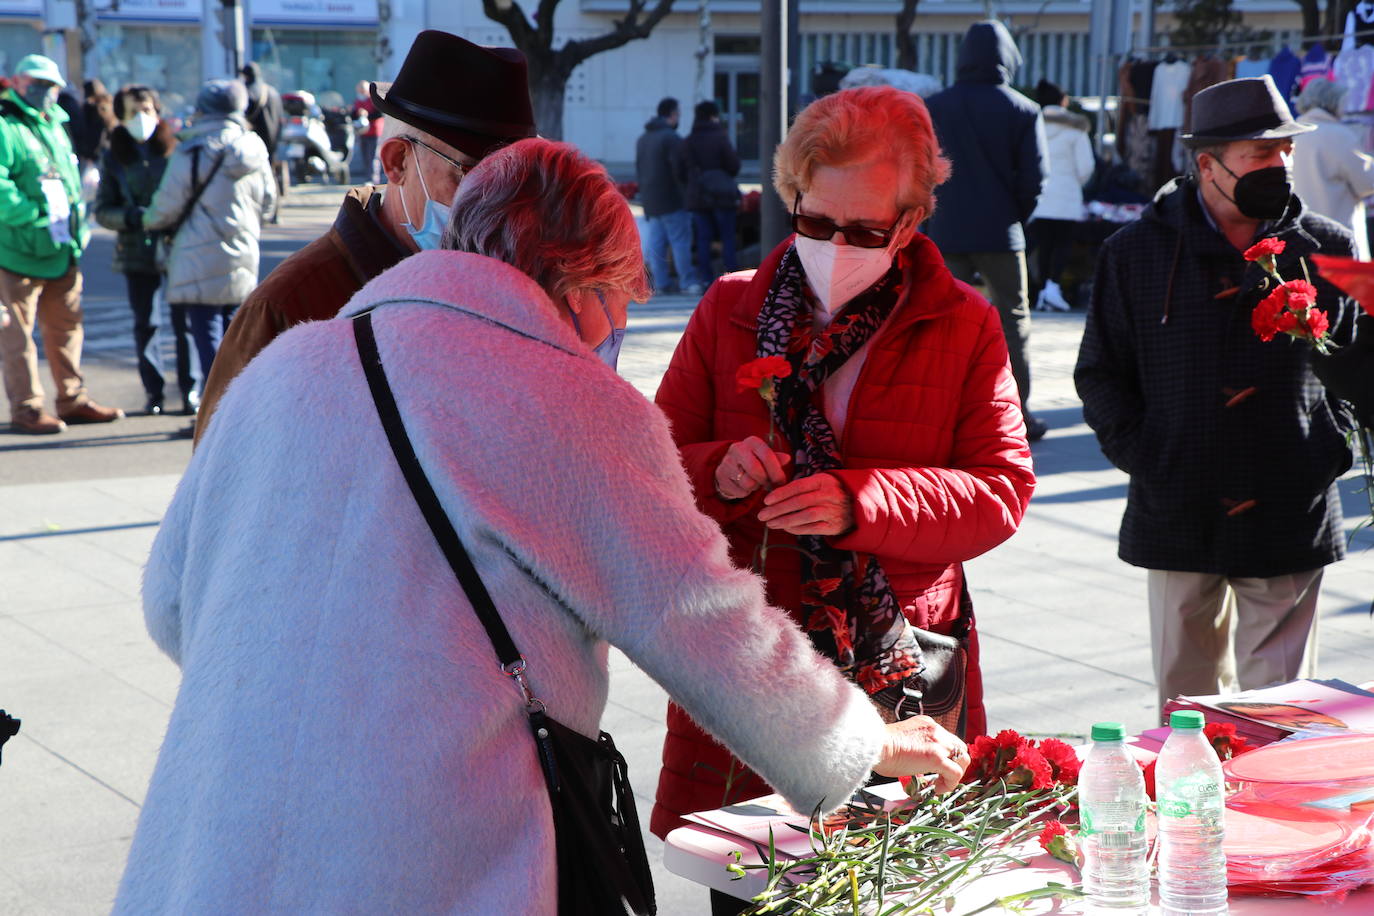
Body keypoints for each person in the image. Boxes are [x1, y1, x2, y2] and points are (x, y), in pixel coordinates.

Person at [113, 136, 970, 914]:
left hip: (208, 843)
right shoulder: (569, 405)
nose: (619, 327)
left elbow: (169, 607)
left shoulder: (289, 363)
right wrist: (858, 742)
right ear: (572, 282)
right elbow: (705, 618)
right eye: (616, 300)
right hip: (422, 856)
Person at [647, 87, 1035, 912]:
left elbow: (1001, 488)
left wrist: (864, 502)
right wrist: (719, 470)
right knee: (752, 885)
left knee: (899, 886)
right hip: (755, 664)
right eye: (815, 222)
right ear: (793, 196)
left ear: (914, 219)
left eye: (863, 232)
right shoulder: (727, 308)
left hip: (895, 663)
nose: (833, 247)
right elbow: (650, 467)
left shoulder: (964, 323)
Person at [1074, 76, 1358, 715]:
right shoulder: (1134, 253)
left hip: (1291, 501)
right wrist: (1149, 455)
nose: (1279, 166)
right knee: (1185, 712)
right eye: (1260, 155)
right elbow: (1099, 372)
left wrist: (1326, 451)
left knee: (1284, 714)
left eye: (1284, 152)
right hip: (1177, 502)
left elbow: (1358, 364)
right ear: (1208, 164)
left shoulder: (1326, 247)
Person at [192, 30, 536, 445]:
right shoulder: (292, 306)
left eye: (516, 179)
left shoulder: (518, 286)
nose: (497, 202)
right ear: (397, 162)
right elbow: (221, 479)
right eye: (473, 176)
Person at [924, 20, 1049, 441]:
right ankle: (1019, 415)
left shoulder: (934, 106)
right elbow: (1035, 180)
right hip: (1002, 233)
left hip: (945, 231)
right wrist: (1014, 215)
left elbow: (921, 170)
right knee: (1013, 323)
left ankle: (942, 411)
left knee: (942, 323)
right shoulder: (1023, 109)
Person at [0, 53, 123, 434]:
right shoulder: (6, 127)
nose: (44, 92)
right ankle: (27, 408)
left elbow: (69, 180)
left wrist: (77, 227)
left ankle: (72, 399)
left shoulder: (57, 123)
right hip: (18, 251)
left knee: (67, 329)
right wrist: (35, 218)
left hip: (62, 249)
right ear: (18, 84)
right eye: (36, 84)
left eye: (50, 85)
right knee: (17, 337)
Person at [142, 79, 276, 399]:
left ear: (202, 109)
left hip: (196, 253)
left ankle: (214, 410)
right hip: (242, 253)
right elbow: (269, 204)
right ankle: (241, 407)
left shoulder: (191, 149)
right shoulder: (254, 147)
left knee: (206, 335)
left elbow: (166, 207)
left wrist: (145, 220)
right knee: (237, 336)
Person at [94, 84, 193, 416]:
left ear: (158, 111)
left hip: (176, 246)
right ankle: (154, 392)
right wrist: (133, 218)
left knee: (185, 323)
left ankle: (190, 389)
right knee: (146, 323)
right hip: (135, 249)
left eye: (147, 109)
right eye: (133, 111)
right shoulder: (114, 156)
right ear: (120, 116)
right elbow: (103, 210)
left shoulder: (175, 149)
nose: (141, 117)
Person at [1291, 78, 1374, 260]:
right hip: (1337, 235)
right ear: (1333, 102)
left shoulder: (1292, 134)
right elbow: (1368, 181)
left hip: (1298, 234)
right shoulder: (1339, 135)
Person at [1029, 79, 1094, 312]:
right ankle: (1053, 287)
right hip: (1066, 195)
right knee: (1063, 243)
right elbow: (1085, 166)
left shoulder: (1032, 124)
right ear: (1062, 100)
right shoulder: (1076, 128)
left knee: (1043, 245)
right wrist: (1075, 182)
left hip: (1040, 197)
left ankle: (1041, 292)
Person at [636, 96, 701, 295]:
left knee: (656, 245)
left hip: (652, 201)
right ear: (672, 115)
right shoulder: (671, 138)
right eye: (678, 114)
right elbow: (680, 169)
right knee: (680, 242)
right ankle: (687, 282)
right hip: (673, 199)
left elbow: (639, 169)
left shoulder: (643, 138)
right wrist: (687, 189)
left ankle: (661, 283)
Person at [685, 99, 741, 285]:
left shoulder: (690, 140)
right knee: (727, 237)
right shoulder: (720, 138)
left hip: (699, 196)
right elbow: (734, 165)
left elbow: (681, 169)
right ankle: (732, 278)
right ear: (713, 116)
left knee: (703, 239)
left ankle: (705, 280)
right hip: (722, 196)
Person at [350, 78, 383, 184]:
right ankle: (367, 177)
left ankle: (373, 179)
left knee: (373, 156)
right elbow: (353, 115)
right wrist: (357, 113)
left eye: (362, 91)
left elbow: (379, 114)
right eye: (359, 91)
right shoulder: (358, 101)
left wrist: (367, 114)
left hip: (374, 132)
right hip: (362, 132)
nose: (361, 93)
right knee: (365, 156)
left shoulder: (374, 100)